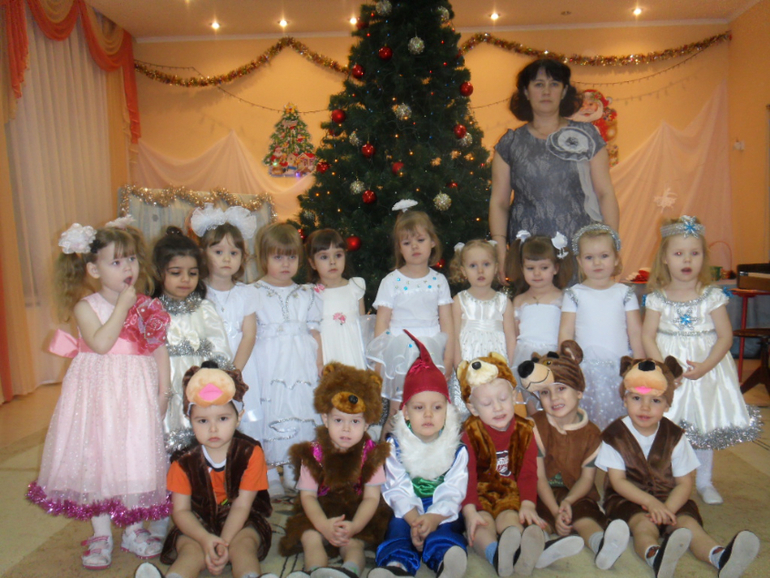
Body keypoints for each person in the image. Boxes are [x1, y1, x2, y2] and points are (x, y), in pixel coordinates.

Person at [28, 220, 170, 569]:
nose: (128, 268)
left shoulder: (145, 304)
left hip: (135, 392)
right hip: (99, 395)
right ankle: (101, 533)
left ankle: (134, 528)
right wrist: (123, 307)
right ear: (93, 269)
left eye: (131, 259)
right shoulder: (85, 306)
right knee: (100, 454)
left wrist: (164, 390)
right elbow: (102, 343)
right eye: (116, 262)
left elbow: (158, 348)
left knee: (134, 452)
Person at [596, 357, 760, 578]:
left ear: (667, 405)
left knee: (689, 526)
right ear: (624, 400)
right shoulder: (614, 435)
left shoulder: (675, 436)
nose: (645, 407)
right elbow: (618, 481)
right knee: (643, 527)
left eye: (655, 400)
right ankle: (656, 556)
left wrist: (668, 509)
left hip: (670, 496)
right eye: (636, 398)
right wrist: (651, 503)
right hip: (629, 499)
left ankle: (721, 557)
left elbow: (684, 483)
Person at [641, 216, 761, 505]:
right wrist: (665, 370)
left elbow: (725, 337)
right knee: (669, 424)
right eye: (678, 253)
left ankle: (704, 480)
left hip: (706, 368)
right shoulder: (657, 297)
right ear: (665, 258)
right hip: (670, 370)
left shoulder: (711, 296)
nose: (687, 260)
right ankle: (669, 478)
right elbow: (647, 336)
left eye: (694, 253)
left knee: (703, 425)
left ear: (703, 258)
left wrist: (706, 367)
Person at [135, 363, 274, 578]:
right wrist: (205, 539)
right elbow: (181, 511)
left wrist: (223, 543)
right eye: (202, 421)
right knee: (190, 552)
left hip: (241, 520)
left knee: (244, 546)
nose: (213, 428)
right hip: (197, 522)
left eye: (223, 418)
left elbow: (242, 505)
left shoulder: (251, 453)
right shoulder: (183, 462)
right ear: (190, 420)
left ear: (239, 416)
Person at [489, 58, 619, 284]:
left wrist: (611, 246)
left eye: (554, 84)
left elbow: (605, 193)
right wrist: (500, 251)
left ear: (564, 91)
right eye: (538, 84)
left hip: (581, 252)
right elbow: (499, 203)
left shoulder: (587, 136)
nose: (546, 91)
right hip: (529, 255)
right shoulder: (510, 143)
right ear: (526, 92)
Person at [458, 353, 582, 576]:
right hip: (477, 495)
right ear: (473, 408)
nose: (498, 408)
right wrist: (469, 511)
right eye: (487, 403)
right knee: (481, 525)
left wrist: (528, 504)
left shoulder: (525, 430)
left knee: (511, 522)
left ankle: (522, 551)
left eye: (503, 399)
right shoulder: (470, 434)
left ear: (515, 397)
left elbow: (528, 473)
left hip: (509, 494)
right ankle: (497, 556)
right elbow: (466, 477)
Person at [517, 341, 630, 571]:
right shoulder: (534, 426)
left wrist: (568, 502)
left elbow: (587, 479)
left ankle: (601, 545)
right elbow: (538, 477)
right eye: (545, 392)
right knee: (536, 517)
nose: (554, 398)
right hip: (542, 490)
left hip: (576, 491)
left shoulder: (592, 433)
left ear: (579, 391)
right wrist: (556, 510)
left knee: (585, 514)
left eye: (561, 389)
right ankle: (542, 546)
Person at [279, 363, 392, 578]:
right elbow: (308, 497)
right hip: (319, 510)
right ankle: (315, 571)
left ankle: (349, 571)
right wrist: (323, 525)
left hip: (357, 512)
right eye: (338, 420)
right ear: (325, 419)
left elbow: (371, 498)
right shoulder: (313, 454)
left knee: (354, 544)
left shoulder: (371, 455)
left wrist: (355, 526)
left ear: (367, 424)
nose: (346, 429)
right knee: (310, 537)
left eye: (355, 421)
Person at [372, 332, 469, 578]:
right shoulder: (395, 445)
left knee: (447, 528)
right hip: (406, 509)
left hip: (441, 508)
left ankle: (446, 560)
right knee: (397, 528)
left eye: (437, 407)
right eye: (419, 407)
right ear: (405, 412)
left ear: (447, 410)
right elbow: (396, 488)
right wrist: (415, 519)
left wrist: (433, 518)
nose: (428, 415)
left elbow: (454, 489)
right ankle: (397, 565)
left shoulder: (456, 448)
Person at [367, 205, 453, 437]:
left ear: (432, 242)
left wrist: (449, 357)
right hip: (399, 353)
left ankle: (428, 450)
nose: (414, 246)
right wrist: (379, 361)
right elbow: (382, 323)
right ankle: (388, 450)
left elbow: (447, 323)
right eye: (407, 242)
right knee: (398, 410)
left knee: (430, 405)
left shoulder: (439, 280)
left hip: (431, 351)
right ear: (399, 248)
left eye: (420, 240)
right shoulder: (391, 281)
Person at [252, 222, 323, 495]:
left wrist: (320, 362)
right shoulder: (253, 292)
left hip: (301, 364)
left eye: (291, 257)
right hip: (268, 363)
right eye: (278, 257)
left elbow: (315, 331)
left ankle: (294, 467)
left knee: (299, 410)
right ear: (264, 258)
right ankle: (269, 471)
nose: (285, 263)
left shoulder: (307, 293)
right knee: (272, 410)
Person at [152, 226, 233, 449]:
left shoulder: (204, 309)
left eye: (193, 273)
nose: (185, 279)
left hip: (200, 385)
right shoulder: (151, 310)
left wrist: (216, 377)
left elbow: (220, 347)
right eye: (176, 273)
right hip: (165, 384)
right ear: (159, 272)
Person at [558, 224, 644, 429]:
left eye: (604, 256)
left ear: (616, 259)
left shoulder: (624, 293)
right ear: (580, 261)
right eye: (589, 257)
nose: (597, 263)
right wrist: (567, 364)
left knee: (620, 421)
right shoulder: (574, 294)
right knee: (588, 421)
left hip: (619, 368)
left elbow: (635, 331)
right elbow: (566, 332)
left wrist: (640, 364)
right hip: (585, 369)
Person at [192, 204, 263, 442]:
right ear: (204, 254)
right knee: (212, 417)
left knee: (243, 418)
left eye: (233, 253)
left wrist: (234, 373)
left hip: (240, 367)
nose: (226, 259)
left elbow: (249, 335)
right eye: (218, 251)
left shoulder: (247, 293)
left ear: (243, 257)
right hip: (208, 365)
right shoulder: (198, 292)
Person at [447, 239, 515, 414]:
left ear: (496, 267)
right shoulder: (459, 301)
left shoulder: (503, 301)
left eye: (486, 264)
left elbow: (510, 337)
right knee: (470, 405)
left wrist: (509, 366)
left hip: (497, 359)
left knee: (495, 404)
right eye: (473, 266)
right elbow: (453, 337)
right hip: (469, 358)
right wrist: (460, 367)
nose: (480, 271)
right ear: (463, 271)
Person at [508, 231, 571, 413]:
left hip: (552, 356)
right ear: (522, 268)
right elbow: (514, 334)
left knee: (555, 403)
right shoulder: (519, 300)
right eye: (530, 268)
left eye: (544, 268)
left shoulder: (563, 298)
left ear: (556, 268)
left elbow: (568, 331)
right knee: (531, 407)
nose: (537, 273)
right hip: (525, 357)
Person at [306, 228, 369, 369]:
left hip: (353, 352)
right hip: (326, 354)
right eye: (324, 257)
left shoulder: (355, 286)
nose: (332, 262)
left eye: (338, 255)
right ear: (312, 263)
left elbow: (363, 325)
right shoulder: (310, 293)